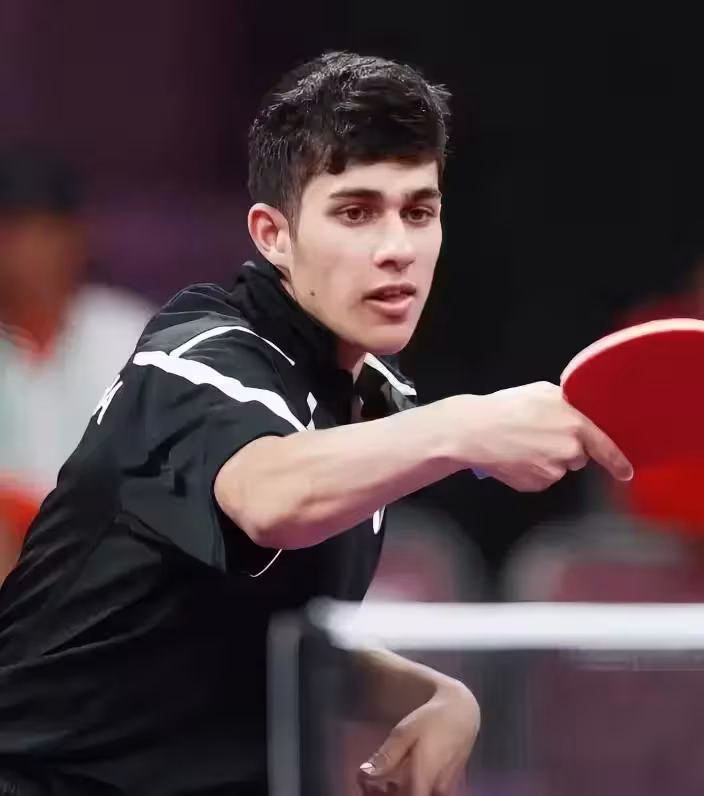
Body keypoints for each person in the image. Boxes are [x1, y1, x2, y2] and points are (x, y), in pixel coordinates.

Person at [0, 52, 632, 796]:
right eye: (355, 212)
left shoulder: (374, 395)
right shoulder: (193, 357)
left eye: (418, 212)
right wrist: (465, 424)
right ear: (273, 234)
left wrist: (436, 696)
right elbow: (270, 497)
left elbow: (268, 638)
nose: (397, 249)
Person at [0, 148, 153, 581]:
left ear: (74, 239)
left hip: (110, 550)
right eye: (11, 234)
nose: (27, 253)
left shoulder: (130, 335)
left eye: (44, 233)